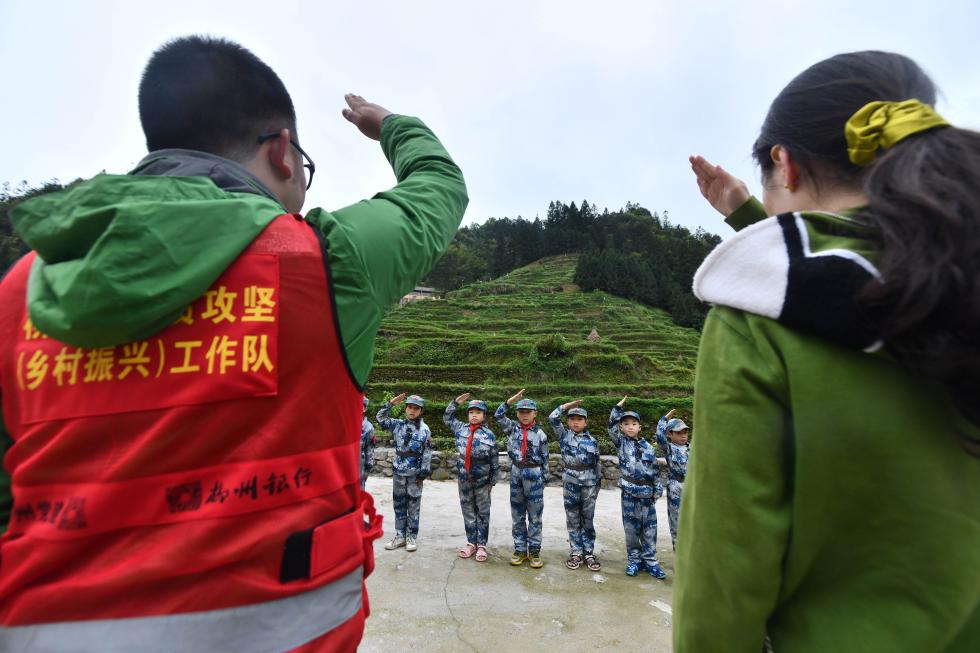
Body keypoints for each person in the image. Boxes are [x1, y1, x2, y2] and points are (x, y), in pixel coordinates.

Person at [0, 35, 467, 652]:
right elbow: (439, 186)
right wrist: (392, 126)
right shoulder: (328, 263)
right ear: (281, 150)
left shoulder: (22, 291)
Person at [677, 51, 980, 651]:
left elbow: (726, 571)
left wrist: (755, 225)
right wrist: (749, 214)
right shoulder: (959, 286)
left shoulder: (754, 325)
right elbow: (848, 280)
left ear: (784, 164)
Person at [608, 396, 665, 579]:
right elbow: (611, 426)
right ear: (622, 428)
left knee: (649, 530)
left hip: (647, 496)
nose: (630, 426)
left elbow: (655, 470)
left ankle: (650, 561)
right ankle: (634, 560)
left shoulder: (648, 447)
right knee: (631, 531)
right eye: (626, 424)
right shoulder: (621, 443)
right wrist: (618, 408)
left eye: (634, 423)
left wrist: (657, 490)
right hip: (629, 495)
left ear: (640, 427)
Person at [495, 389, 549, 568]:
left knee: (535, 517)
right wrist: (509, 401)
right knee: (517, 515)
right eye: (521, 412)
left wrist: (544, 480)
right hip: (517, 473)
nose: (525, 415)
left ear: (535, 413)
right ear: (517, 414)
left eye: (528, 412)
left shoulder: (541, 435)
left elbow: (545, 459)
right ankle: (519, 549)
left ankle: (534, 551)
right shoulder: (511, 428)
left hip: (534, 475)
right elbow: (498, 415)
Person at [444, 393, 499, 562]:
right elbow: (447, 418)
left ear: (484, 415)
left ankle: (482, 545)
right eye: (471, 412)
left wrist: (493, 481)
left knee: (483, 512)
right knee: (467, 510)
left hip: (482, 481)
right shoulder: (461, 428)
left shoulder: (489, 435)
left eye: (478, 412)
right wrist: (455, 403)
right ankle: (471, 543)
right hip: (464, 478)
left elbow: (494, 459)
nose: (474, 415)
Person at [549, 400, 602, 571]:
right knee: (572, 519)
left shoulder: (593, 441)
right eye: (572, 419)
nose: (576, 422)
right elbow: (552, 418)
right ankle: (576, 552)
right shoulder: (564, 436)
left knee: (587, 519)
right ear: (568, 422)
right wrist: (566, 406)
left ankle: (589, 553)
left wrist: (596, 489)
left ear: (586, 422)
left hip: (589, 485)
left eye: (580, 419)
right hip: (571, 484)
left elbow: (597, 466)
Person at [376, 393, 433, 552]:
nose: (412, 411)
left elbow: (427, 452)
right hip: (399, 471)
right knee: (399, 504)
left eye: (416, 408)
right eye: (409, 407)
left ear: (421, 411)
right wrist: (390, 403)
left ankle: (411, 536)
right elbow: (380, 418)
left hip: (415, 473)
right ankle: (400, 535)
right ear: (405, 408)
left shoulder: (424, 429)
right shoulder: (398, 424)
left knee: (413, 505)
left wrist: (423, 473)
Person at [654, 408, 689, 551]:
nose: (683, 436)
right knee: (677, 522)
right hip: (675, 485)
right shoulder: (669, 448)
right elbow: (659, 436)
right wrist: (664, 419)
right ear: (670, 434)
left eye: (685, 432)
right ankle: (679, 556)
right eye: (679, 433)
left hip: (691, 485)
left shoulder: (692, 448)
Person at [360, 397, 377, 490]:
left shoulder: (368, 428)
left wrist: (367, 470)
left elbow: (370, 450)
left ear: (364, 408)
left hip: (359, 465)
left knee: (358, 491)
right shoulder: (345, 423)